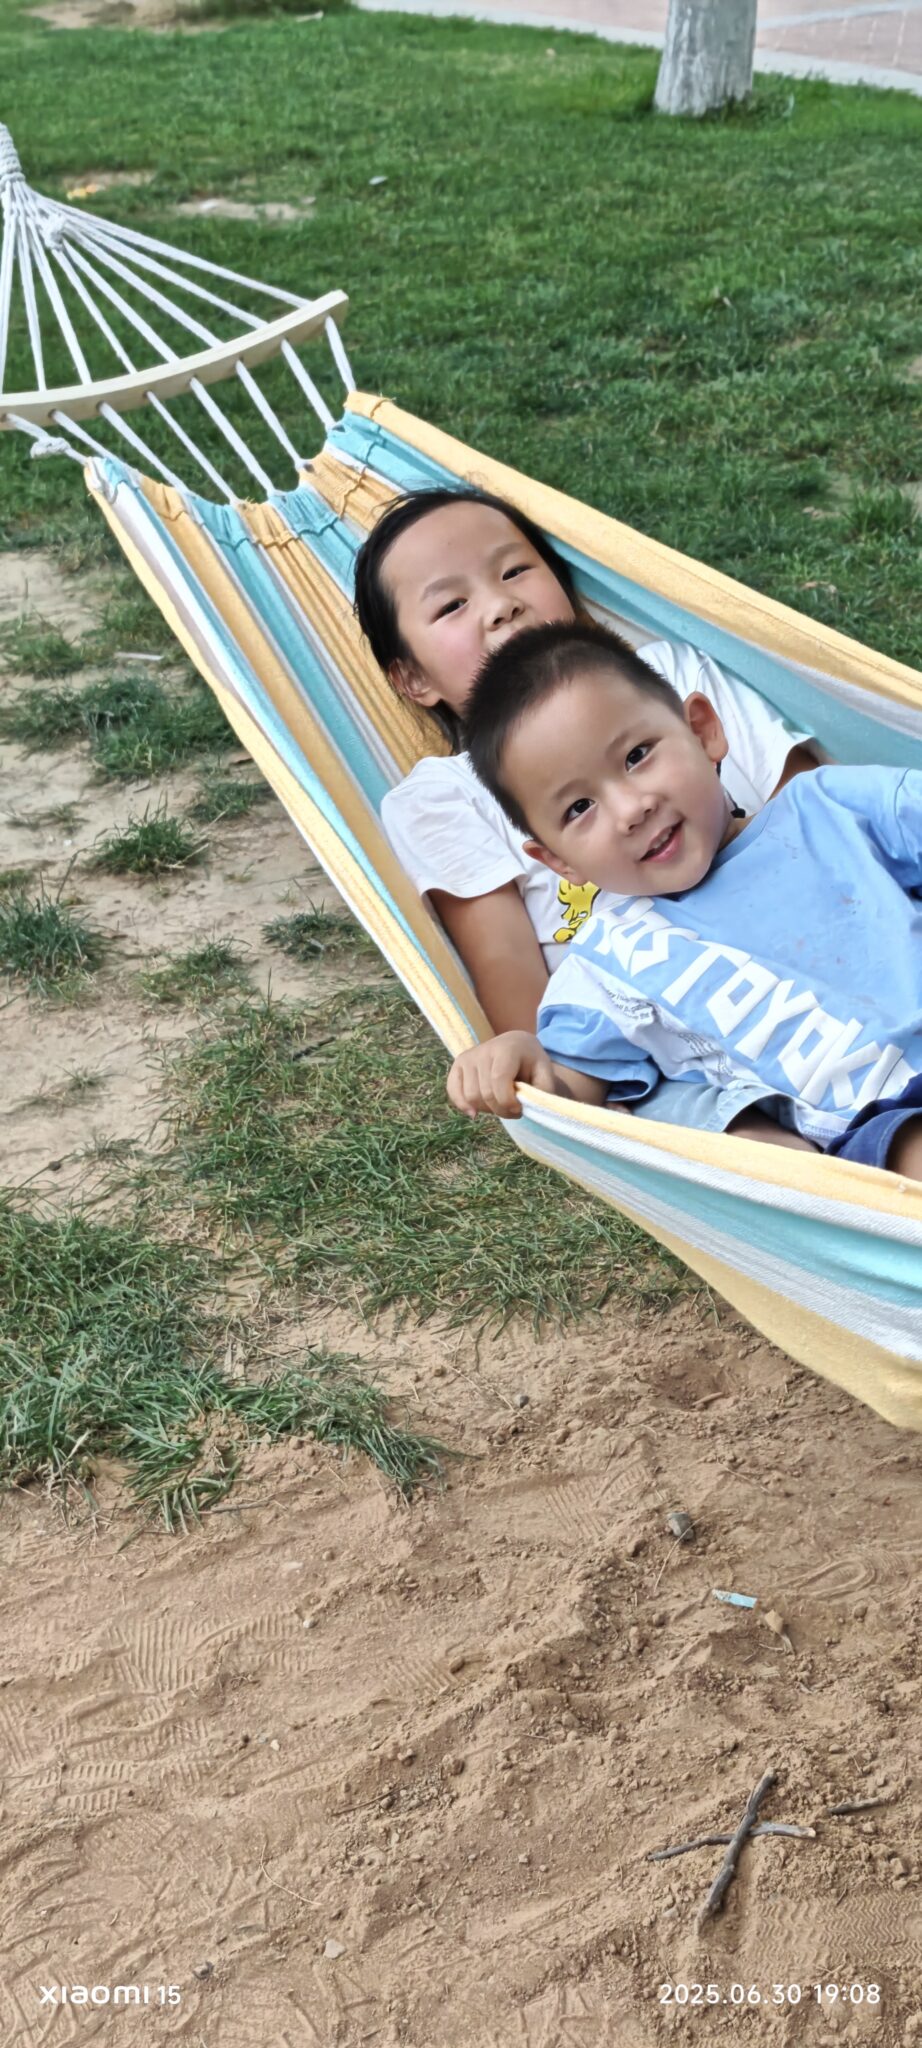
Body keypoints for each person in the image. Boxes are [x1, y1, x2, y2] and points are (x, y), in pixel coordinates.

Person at [354, 486, 818, 1141]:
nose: (501, 604)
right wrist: (554, 1085)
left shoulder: (668, 674)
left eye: (515, 570)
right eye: (452, 605)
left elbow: (817, 811)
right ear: (413, 679)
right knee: (752, 1145)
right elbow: (513, 983)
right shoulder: (445, 796)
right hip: (665, 1059)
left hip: (814, 960)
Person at [447, 620, 922, 1180]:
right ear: (559, 862)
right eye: (579, 808)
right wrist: (526, 1062)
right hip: (883, 1122)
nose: (631, 809)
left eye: (636, 755)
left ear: (702, 732)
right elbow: (579, 1095)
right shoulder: (609, 959)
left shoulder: (829, 807)